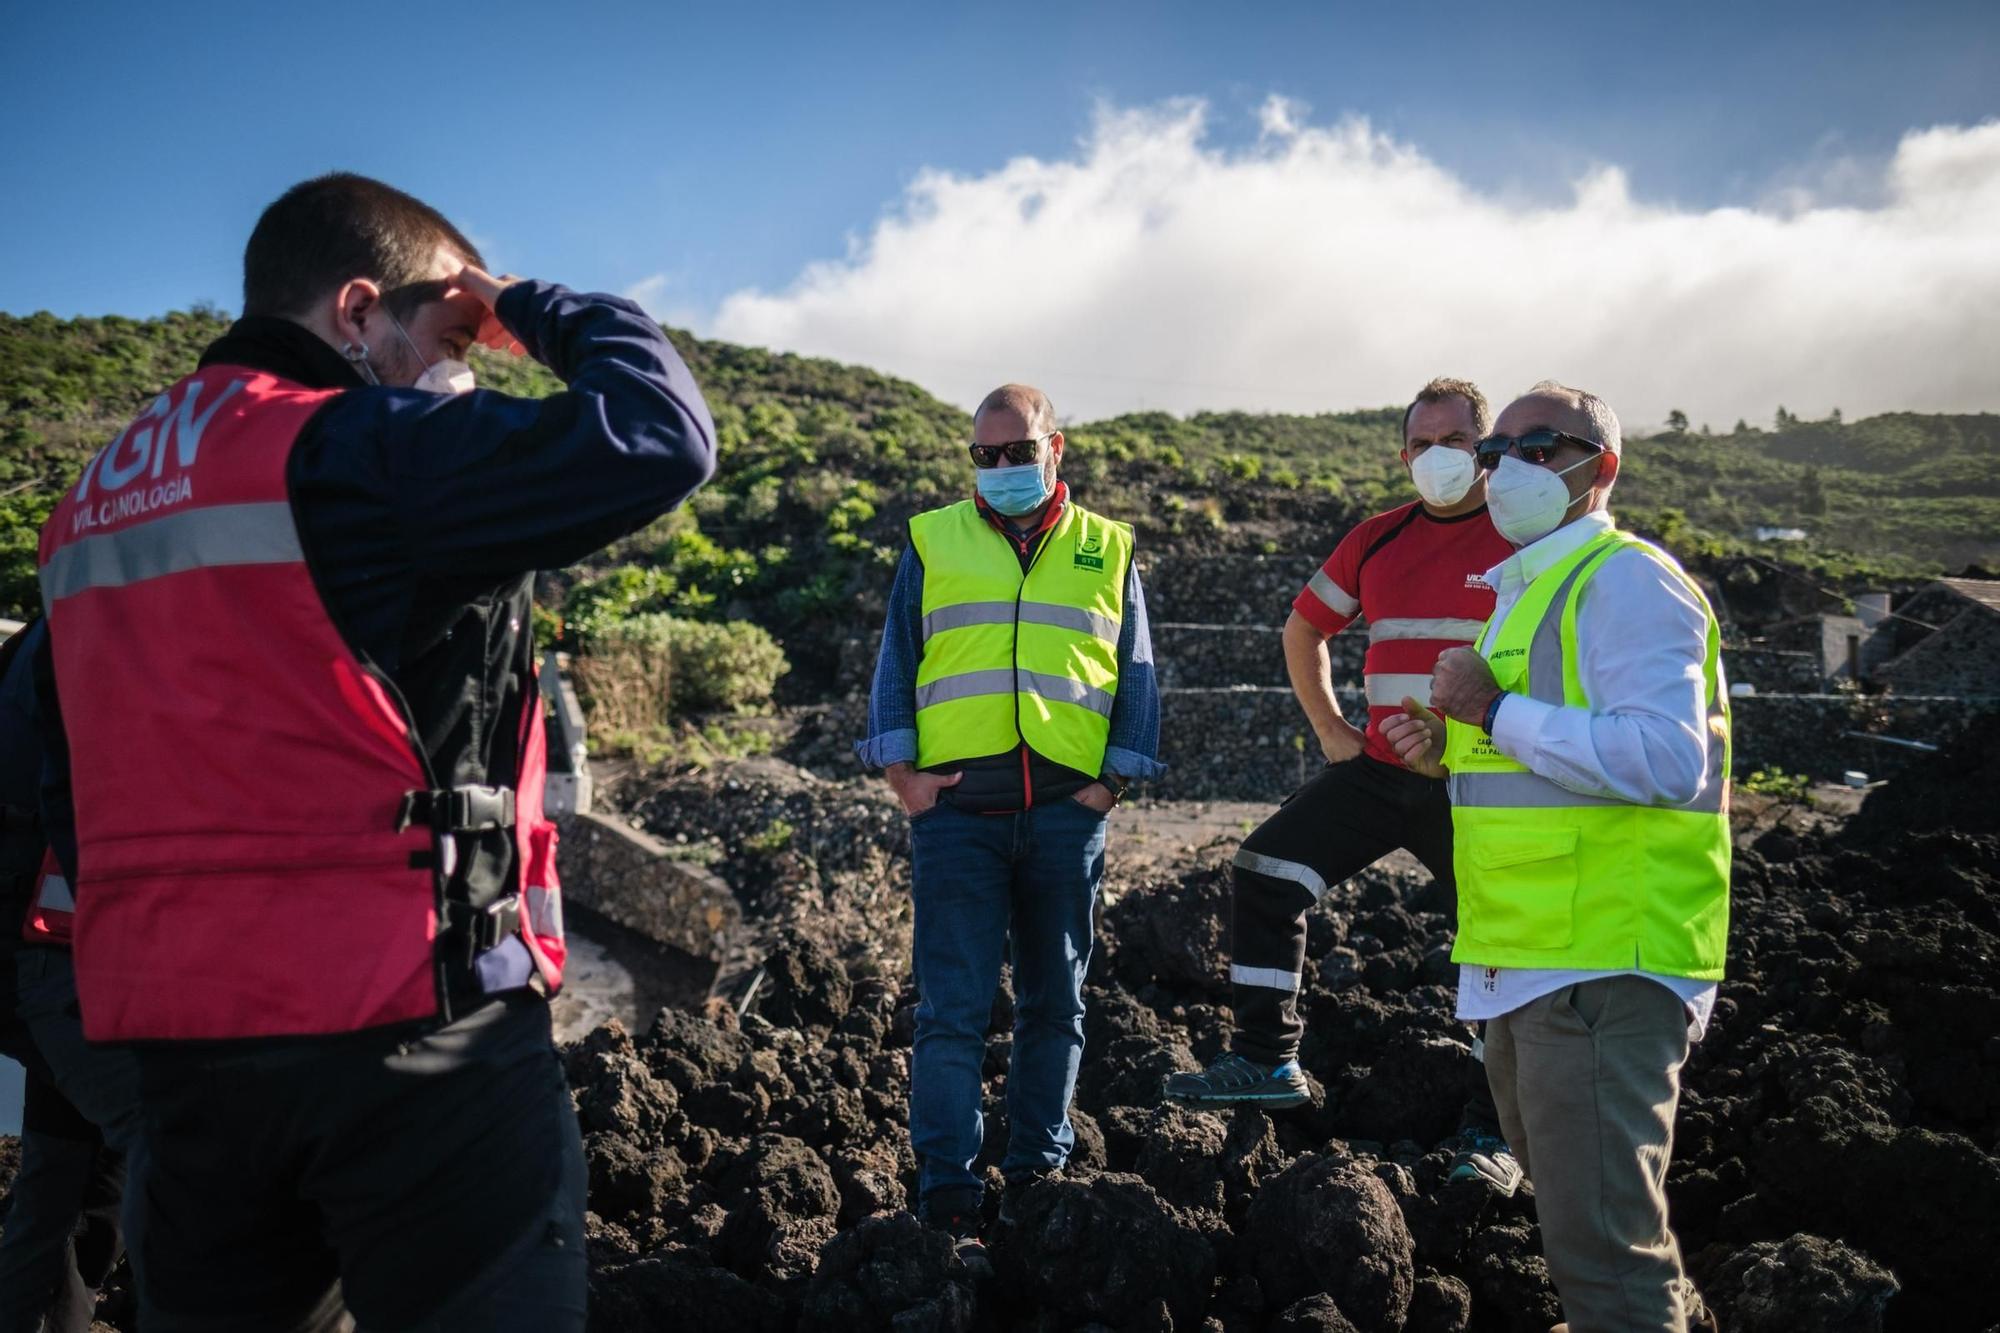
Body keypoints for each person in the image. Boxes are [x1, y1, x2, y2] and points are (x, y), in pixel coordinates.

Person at [35, 173, 715, 1332]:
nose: (461, 371)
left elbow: (58, 767)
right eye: (451, 337)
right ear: (357, 312)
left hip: (183, 1065)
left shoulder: (93, 501)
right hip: (408, 1038)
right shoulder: (354, 449)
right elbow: (659, 433)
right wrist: (529, 304)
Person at [1383, 382, 1728, 1333]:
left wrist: (1489, 709)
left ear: (1600, 467)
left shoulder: (1626, 579)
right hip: (1530, 959)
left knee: (1604, 1252)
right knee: (1584, 1223)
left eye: (1540, 446)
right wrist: (1450, 739)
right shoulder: (1529, 591)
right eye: (1497, 452)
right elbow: (1544, 748)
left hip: (1604, 957)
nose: (1506, 468)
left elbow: (1664, 756)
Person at [1164, 377, 1523, 1193]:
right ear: (1403, 455)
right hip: (1381, 769)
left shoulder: (1520, 540)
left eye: (1456, 443)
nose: (1438, 458)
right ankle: (1266, 1058)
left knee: (1502, 931)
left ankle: (1496, 1131)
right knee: (1266, 867)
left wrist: (1466, 736)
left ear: (1489, 447)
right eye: (1422, 445)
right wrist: (1331, 728)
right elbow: (1305, 627)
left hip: (1477, 780)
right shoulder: (1377, 538)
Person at [856, 383, 1163, 1246]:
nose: (1001, 468)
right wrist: (904, 778)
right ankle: (947, 1187)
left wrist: (1111, 785)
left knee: (1055, 1002)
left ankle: (1037, 1169)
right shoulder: (932, 538)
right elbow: (897, 658)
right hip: (958, 817)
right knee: (950, 1010)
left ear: (1054, 448)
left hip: (1069, 814)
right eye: (984, 456)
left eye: (1016, 451)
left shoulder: (1109, 545)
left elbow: (1134, 669)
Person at [0, 618, 143, 1333]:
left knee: (67, 1175)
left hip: (53, 961)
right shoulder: (96, 637)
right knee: (172, 1162)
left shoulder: (45, 633)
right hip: (69, 961)